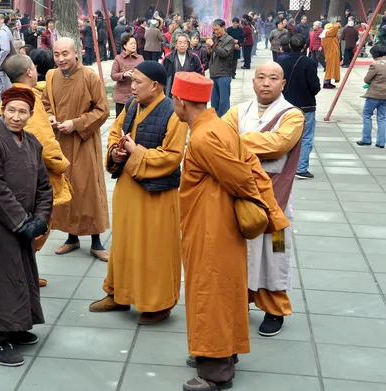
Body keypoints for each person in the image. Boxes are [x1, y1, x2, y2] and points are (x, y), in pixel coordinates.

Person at [172, 71, 287, 391]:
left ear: (181, 101)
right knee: (223, 290)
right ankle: (221, 353)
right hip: (218, 223)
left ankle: (216, 371)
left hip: (212, 228)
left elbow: (240, 176)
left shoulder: (204, 136)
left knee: (210, 293)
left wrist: (264, 210)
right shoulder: (219, 125)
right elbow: (249, 165)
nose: (173, 105)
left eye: (174, 99)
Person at [90, 61, 187, 325]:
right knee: (124, 243)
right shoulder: (132, 106)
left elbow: (172, 156)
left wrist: (136, 152)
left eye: (137, 82)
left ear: (155, 86)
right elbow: (114, 133)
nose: (131, 87)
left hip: (156, 194)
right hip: (128, 188)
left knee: (154, 249)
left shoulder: (173, 114)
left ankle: (159, 304)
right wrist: (116, 151)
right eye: (131, 81)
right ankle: (118, 294)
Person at [0, 86, 53, 367]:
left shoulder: (31, 142)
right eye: (11, 110)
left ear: (31, 115)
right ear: (2, 109)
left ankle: (16, 327)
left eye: (23, 112)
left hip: (25, 223)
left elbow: (43, 185)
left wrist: (40, 218)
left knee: (22, 274)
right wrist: (21, 221)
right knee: (0, 278)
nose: (16, 117)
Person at [223, 62, 304, 337]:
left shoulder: (292, 115)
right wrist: (242, 142)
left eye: (273, 78)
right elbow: (219, 139)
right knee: (240, 250)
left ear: (283, 84)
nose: (266, 82)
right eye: (261, 77)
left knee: (276, 252)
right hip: (243, 193)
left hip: (276, 198)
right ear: (253, 82)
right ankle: (239, 303)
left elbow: (279, 144)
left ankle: (275, 309)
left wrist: (237, 142)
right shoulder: (238, 110)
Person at [4, 53, 73, 287]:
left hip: (16, 171)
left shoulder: (11, 97)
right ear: (30, 72)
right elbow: (42, 140)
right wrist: (61, 163)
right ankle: (21, 275)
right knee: (36, 225)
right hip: (34, 175)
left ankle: (24, 273)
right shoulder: (27, 98)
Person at [41, 38, 111, 261]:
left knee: (88, 188)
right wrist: (50, 116)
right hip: (61, 141)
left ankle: (96, 240)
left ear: (76, 53)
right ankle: (72, 237)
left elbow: (103, 110)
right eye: (56, 54)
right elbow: (45, 104)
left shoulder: (90, 76)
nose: (61, 59)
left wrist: (77, 123)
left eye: (65, 54)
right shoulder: (51, 76)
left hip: (83, 141)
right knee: (66, 186)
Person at [279, 34, 321, 179]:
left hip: (286, 104)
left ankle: (284, 165)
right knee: (306, 137)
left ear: (290, 46)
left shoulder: (282, 62)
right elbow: (315, 86)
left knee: (286, 135)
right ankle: (301, 168)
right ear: (304, 47)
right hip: (306, 104)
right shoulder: (309, 63)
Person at [358, 45, 386, 148]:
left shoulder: (375, 65)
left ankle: (366, 139)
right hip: (385, 96)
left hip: (374, 94)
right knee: (382, 118)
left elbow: (367, 79)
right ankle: (381, 142)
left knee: (367, 115)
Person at [207, 18, 234, 117]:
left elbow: (224, 53)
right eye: (214, 30)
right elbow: (211, 55)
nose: (215, 32)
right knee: (214, 100)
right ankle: (215, 119)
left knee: (224, 101)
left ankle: (224, 120)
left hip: (224, 74)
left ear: (223, 28)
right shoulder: (214, 38)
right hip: (214, 73)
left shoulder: (229, 40)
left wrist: (213, 45)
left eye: (217, 29)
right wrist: (208, 49)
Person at [111, 35, 144, 115]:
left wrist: (136, 76)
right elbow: (113, 75)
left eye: (135, 43)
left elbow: (145, 75)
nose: (134, 45)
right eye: (131, 43)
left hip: (137, 95)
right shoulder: (118, 58)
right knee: (120, 121)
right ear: (124, 46)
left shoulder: (140, 58)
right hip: (121, 96)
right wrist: (123, 74)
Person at [0, 13, 14, 110]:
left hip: (3, 63)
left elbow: (5, 49)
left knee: (6, 86)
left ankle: (7, 107)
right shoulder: (2, 30)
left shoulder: (3, 32)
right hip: (1, 64)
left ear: (2, 20)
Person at [322, 23, 341, 89]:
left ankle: (328, 82)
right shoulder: (327, 34)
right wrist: (338, 24)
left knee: (331, 68)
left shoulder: (330, 36)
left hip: (332, 54)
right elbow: (335, 28)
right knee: (330, 68)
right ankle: (326, 83)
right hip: (331, 54)